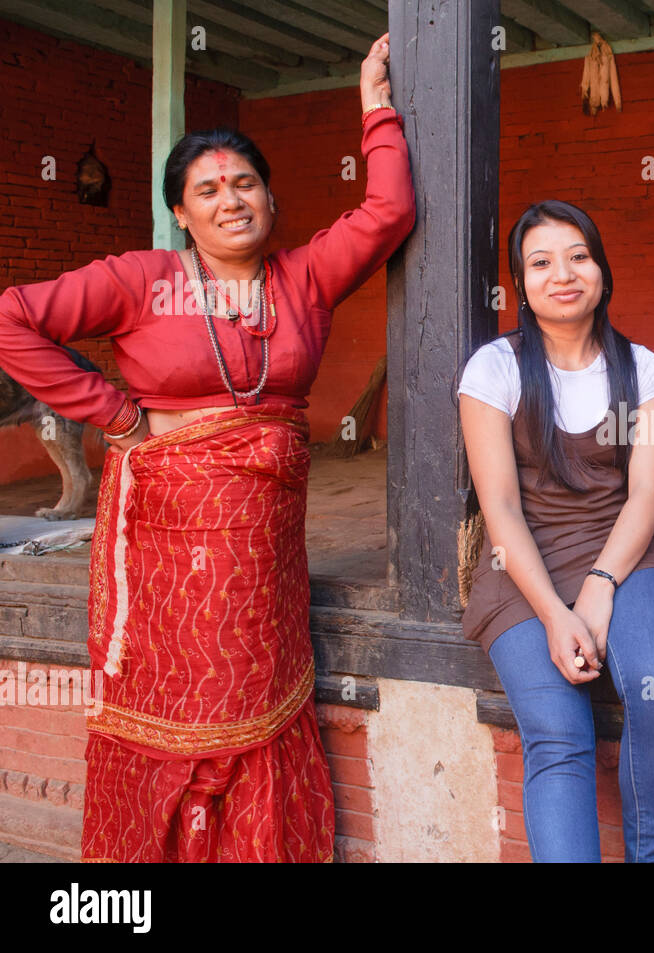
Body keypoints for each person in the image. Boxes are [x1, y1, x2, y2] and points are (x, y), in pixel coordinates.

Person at [0, 35, 415, 861]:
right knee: (178, 709)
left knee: (251, 694)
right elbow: (12, 317)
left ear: (270, 198)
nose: (232, 199)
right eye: (209, 189)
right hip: (163, 544)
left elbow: (388, 213)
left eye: (246, 183)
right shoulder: (139, 278)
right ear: (181, 212)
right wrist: (116, 416)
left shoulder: (304, 278)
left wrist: (374, 102)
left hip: (261, 552)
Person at [458, 200, 654, 863]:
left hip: (622, 549)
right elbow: (499, 506)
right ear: (520, 284)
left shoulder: (644, 370)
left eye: (579, 256)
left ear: (601, 270)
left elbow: (646, 493)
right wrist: (554, 615)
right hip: (520, 563)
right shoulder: (495, 369)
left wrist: (600, 585)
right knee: (560, 732)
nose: (563, 273)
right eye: (540, 262)